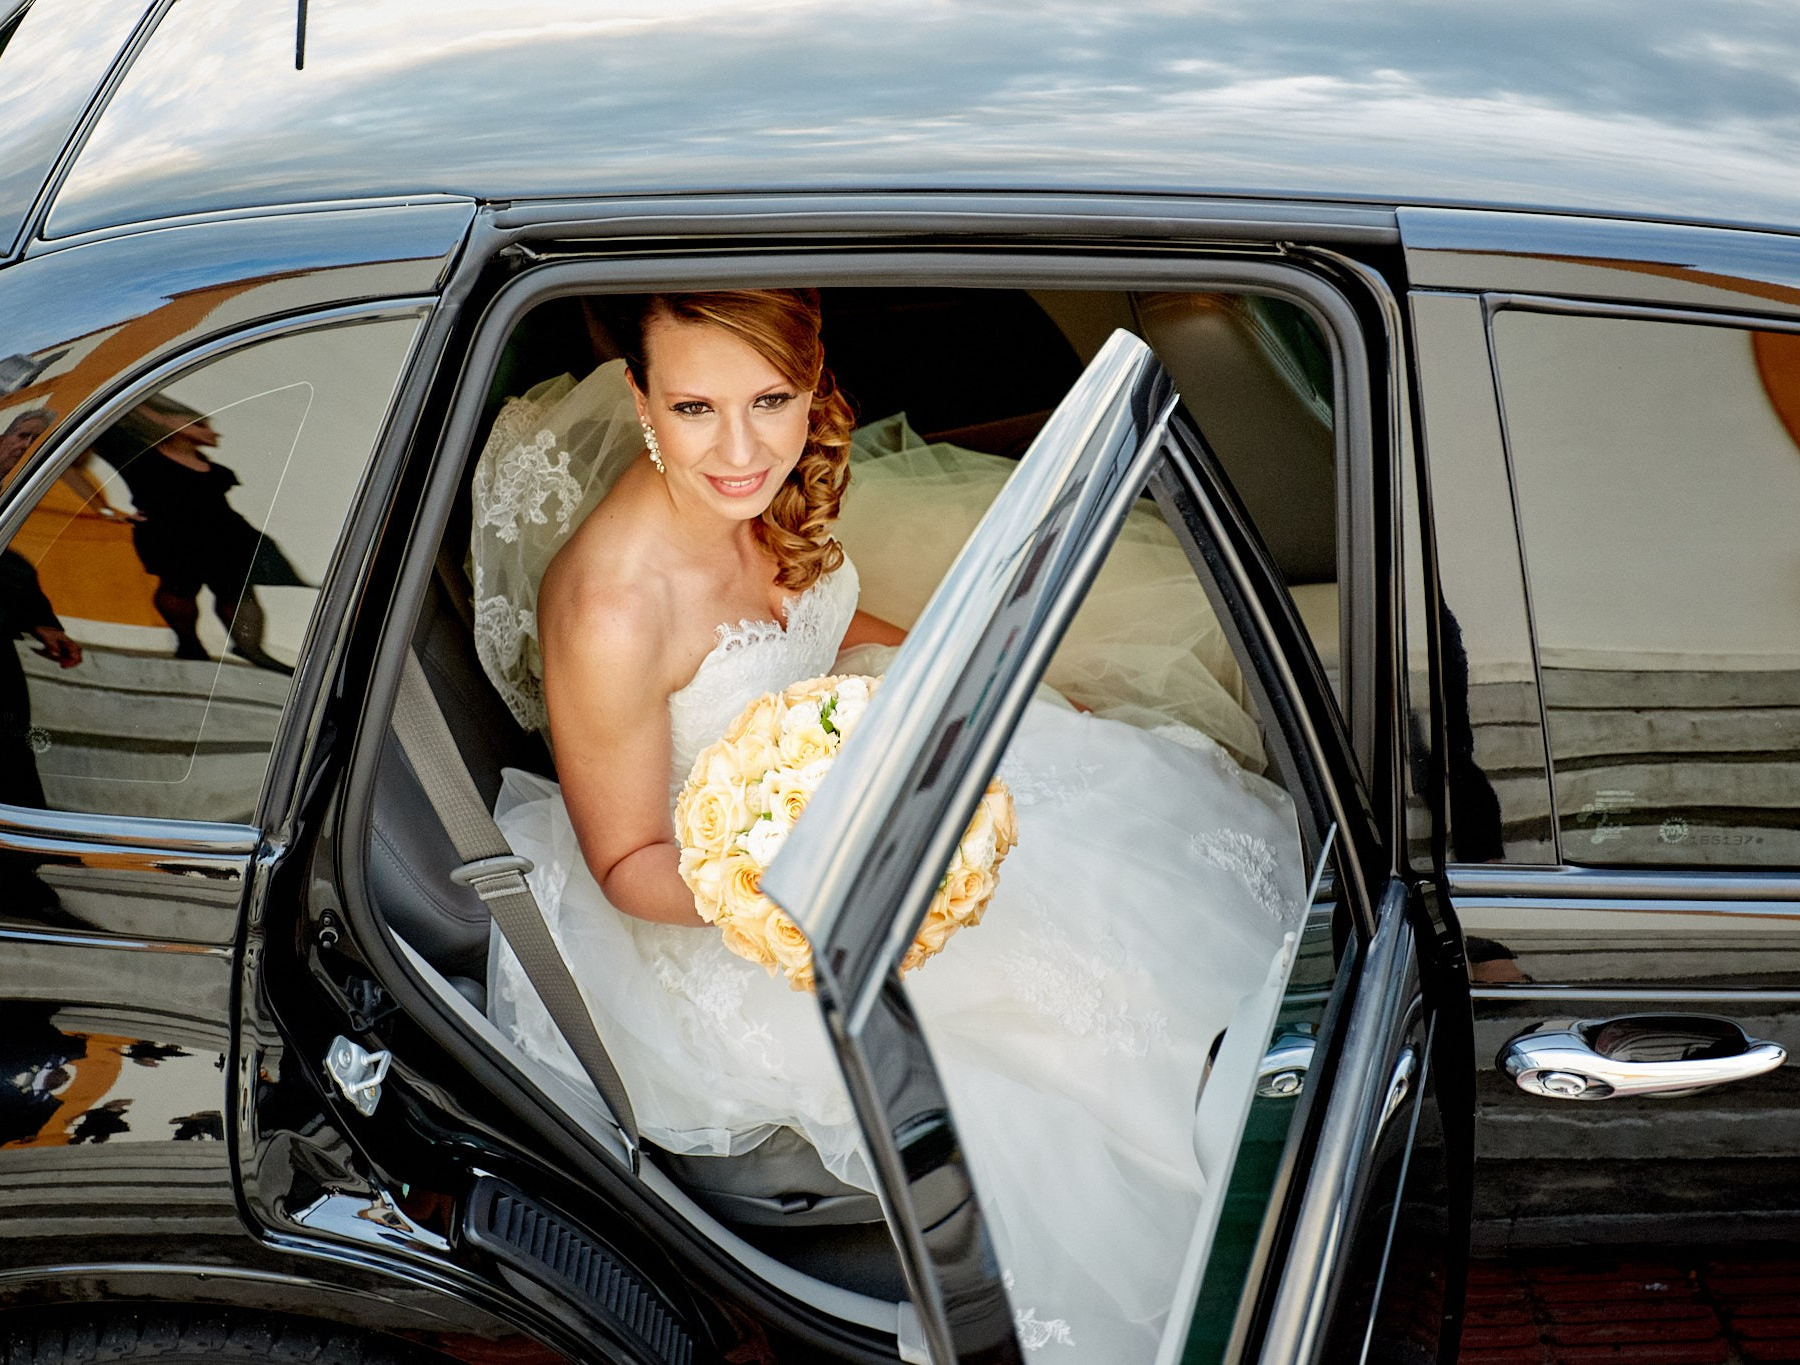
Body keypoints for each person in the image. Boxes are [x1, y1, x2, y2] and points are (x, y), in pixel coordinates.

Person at [473, 291, 1302, 1362]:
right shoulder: (612, 608)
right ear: (637, 396)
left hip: (856, 786)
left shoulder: (751, 490)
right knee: (1082, 1011)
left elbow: (820, 620)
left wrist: (973, 683)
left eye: (771, 400)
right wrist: (824, 889)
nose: (737, 450)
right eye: (692, 408)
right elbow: (629, 862)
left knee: (1131, 847)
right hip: (729, 906)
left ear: (811, 388)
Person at [93, 396, 304, 674]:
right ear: (169, 424)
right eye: (201, 424)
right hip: (173, 535)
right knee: (180, 587)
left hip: (225, 535)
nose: (213, 432)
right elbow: (105, 418)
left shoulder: (205, 464)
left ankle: (251, 648)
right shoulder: (138, 455)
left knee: (237, 590)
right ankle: (189, 642)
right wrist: (104, 509)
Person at [0, 410, 83, 812]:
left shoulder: (31, 507)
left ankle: (20, 868)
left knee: (8, 767)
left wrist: (43, 623)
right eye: (22, 435)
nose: (25, 447)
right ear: (0, 440)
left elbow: (15, 566)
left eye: (37, 442)